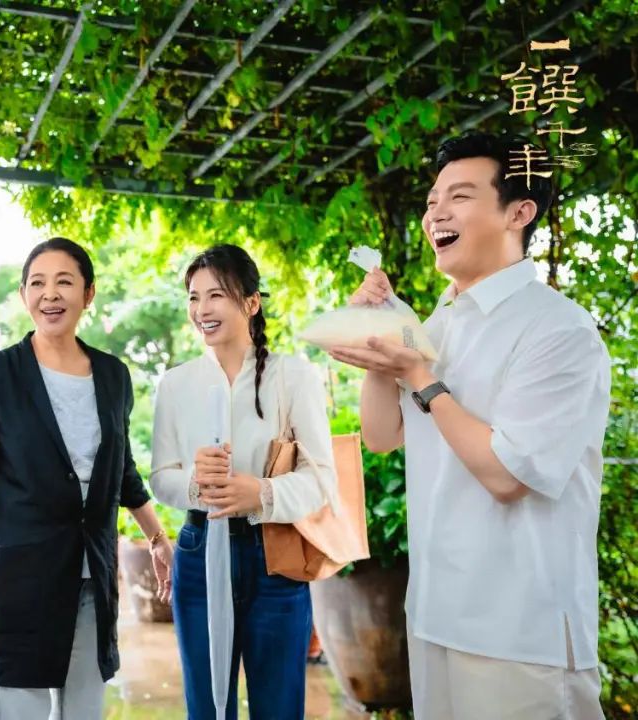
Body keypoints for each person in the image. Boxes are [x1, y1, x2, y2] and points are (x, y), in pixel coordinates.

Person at [329, 131, 610, 719]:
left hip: (519, 632)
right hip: (435, 614)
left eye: (459, 196)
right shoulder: (439, 321)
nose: (437, 213)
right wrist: (379, 350)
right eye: (432, 201)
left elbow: (509, 475)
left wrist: (421, 376)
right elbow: (382, 437)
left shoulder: (559, 329)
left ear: (519, 212)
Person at [0, 237, 174, 720]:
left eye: (65, 281)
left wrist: (158, 539)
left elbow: (122, 472)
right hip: (21, 581)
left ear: (89, 293)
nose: (50, 294)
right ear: (24, 296)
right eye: (37, 283)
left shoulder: (112, 375)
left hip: (92, 578)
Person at [150, 244, 339, 719]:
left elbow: (321, 477)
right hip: (198, 553)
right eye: (194, 298)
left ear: (251, 303)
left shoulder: (293, 376)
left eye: (216, 295)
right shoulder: (175, 384)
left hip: (274, 555)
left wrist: (262, 494)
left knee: (279, 705)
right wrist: (197, 483)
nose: (202, 310)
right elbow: (161, 478)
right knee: (208, 706)